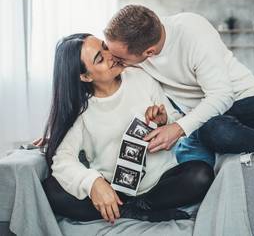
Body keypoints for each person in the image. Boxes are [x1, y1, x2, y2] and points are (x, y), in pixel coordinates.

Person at [103, 5, 254, 236]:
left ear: (149, 52)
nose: (115, 60)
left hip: (247, 96)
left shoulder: (192, 31)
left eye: (120, 58)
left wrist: (178, 128)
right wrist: (166, 118)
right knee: (219, 134)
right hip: (207, 113)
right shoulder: (134, 45)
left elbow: (222, 95)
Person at [40, 33, 214, 224]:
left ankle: (138, 208)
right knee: (51, 190)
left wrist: (164, 121)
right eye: (99, 58)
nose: (110, 56)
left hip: (159, 183)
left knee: (201, 174)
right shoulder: (80, 111)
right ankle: (132, 210)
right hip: (114, 189)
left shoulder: (140, 77)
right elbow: (62, 160)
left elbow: (176, 120)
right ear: (85, 76)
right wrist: (93, 183)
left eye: (105, 47)